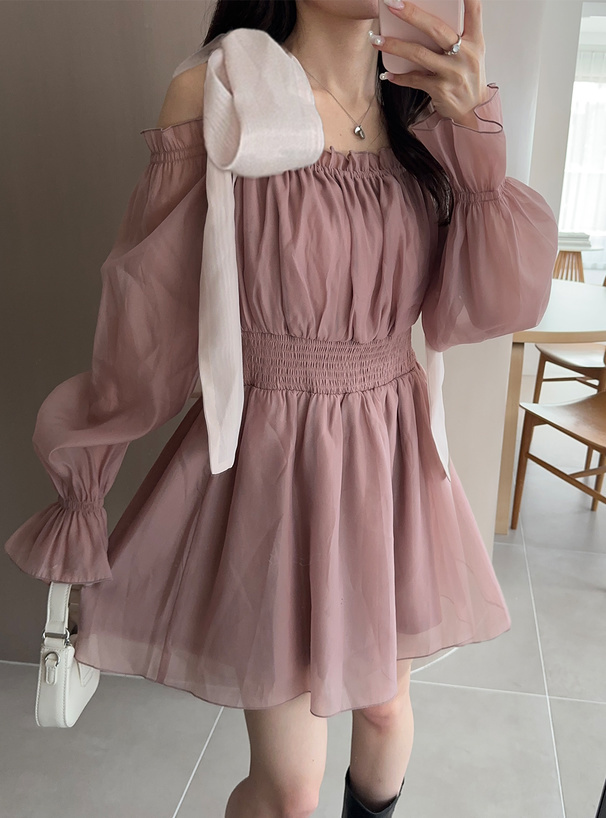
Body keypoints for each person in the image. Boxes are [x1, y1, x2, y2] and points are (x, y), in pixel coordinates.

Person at [4, 1, 558, 816]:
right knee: (292, 792)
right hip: (276, 460)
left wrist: (473, 133)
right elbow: (146, 315)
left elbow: (487, 304)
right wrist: (86, 480)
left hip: (392, 454)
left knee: (385, 715)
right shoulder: (223, 90)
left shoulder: (422, 107)